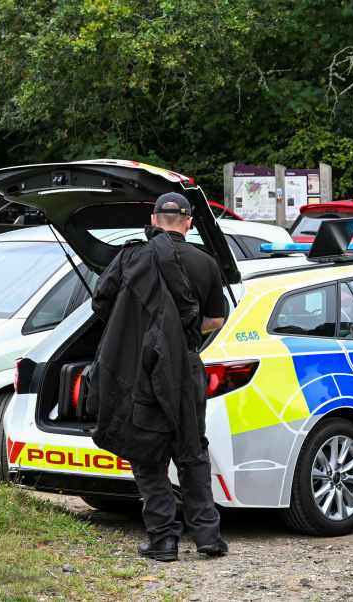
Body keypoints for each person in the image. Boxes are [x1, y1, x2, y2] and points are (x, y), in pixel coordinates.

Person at [90, 192, 228, 562]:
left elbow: (100, 304)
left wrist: (141, 323)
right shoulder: (206, 263)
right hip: (184, 368)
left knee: (146, 452)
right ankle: (208, 537)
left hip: (139, 369)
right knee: (191, 449)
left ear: (153, 220)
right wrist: (179, 331)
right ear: (188, 222)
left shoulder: (130, 258)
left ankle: (163, 539)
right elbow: (217, 319)